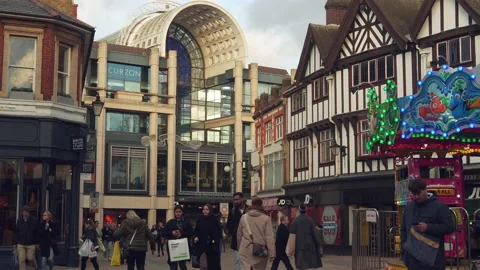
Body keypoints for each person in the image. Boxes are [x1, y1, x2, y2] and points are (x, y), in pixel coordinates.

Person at [401, 178, 455, 270]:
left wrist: (428, 228)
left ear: (425, 189)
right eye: (414, 194)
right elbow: (403, 230)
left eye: (418, 193)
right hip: (413, 262)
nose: (416, 196)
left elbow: (449, 227)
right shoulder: (408, 208)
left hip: (433, 262)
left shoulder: (439, 206)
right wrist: (405, 254)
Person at [237, 198, 275, 270]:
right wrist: (272, 253)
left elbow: (239, 234)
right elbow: (269, 237)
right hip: (260, 250)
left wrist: (240, 247)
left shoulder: (244, 217)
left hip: (245, 249)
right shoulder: (266, 218)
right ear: (261, 205)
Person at [290, 204, 322, 270]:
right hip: (308, 246)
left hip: (298, 246)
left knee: (300, 265)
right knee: (306, 265)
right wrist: (318, 245)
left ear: (299, 210)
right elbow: (314, 234)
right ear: (306, 210)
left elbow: (292, 235)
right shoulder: (310, 220)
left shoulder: (295, 221)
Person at [163, 206, 194, 270]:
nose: (178, 213)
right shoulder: (170, 222)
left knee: (182, 265)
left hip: (183, 247)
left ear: (182, 212)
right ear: (174, 213)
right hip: (173, 247)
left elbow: (191, 233)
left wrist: (181, 234)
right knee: (173, 265)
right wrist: (172, 233)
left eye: (179, 212)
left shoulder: (187, 222)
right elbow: (163, 232)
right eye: (176, 212)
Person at [193, 204, 222, 270]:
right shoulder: (200, 220)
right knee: (203, 265)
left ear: (210, 210)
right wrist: (196, 236)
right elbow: (196, 231)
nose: (205, 211)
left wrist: (214, 242)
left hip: (212, 247)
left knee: (213, 265)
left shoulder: (214, 220)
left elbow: (218, 234)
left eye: (207, 209)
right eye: (204, 209)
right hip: (202, 246)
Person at [226, 192, 249, 270]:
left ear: (242, 199)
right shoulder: (232, 212)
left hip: (249, 240)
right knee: (237, 260)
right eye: (234, 200)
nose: (235, 201)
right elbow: (228, 225)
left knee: (249, 261)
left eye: (237, 199)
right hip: (236, 240)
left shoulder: (250, 210)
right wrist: (234, 233)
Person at [15, 205, 38, 270]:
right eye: (23, 212)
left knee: (30, 258)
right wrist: (15, 242)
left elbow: (37, 232)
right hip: (21, 243)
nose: (24, 213)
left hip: (31, 243)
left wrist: (37, 243)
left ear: (28, 212)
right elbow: (17, 232)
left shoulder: (34, 220)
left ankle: (34, 268)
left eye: (26, 212)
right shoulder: (19, 220)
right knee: (21, 259)